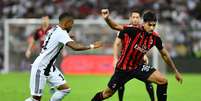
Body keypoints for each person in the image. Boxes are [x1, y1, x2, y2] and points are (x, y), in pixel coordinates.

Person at [91, 10, 183, 101]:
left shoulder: (155, 38)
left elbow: (165, 54)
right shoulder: (134, 30)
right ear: (144, 23)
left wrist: (175, 71)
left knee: (163, 81)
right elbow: (115, 26)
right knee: (107, 94)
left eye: (154, 25)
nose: (152, 28)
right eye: (149, 25)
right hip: (123, 68)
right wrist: (107, 18)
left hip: (138, 67)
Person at [25, 12, 102, 101]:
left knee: (65, 89)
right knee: (36, 99)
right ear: (66, 23)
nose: (71, 26)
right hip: (40, 67)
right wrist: (92, 46)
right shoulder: (61, 33)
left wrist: (69, 37)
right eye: (71, 24)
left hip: (49, 67)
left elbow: (58, 39)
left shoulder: (54, 29)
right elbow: (75, 47)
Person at [101, 9, 155, 101]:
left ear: (140, 19)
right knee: (120, 83)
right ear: (130, 18)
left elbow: (144, 45)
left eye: (137, 17)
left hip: (139, 61)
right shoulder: (125, 29)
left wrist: (144, 55)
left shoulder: (144, 30)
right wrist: (115, 58)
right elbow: (116, 43)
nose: (135, 19)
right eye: (133, 17)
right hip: (125, 62)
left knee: (148, 81)